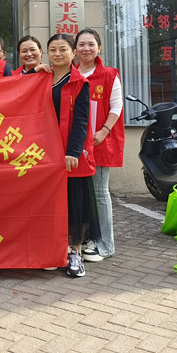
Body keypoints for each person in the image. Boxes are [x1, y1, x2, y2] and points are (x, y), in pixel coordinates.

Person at [44, 33, 97, 278]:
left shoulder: (79, 82)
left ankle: (75, 252)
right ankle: (54, 250)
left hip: (69, 153)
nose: (57, 54)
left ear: (73, 53)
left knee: (75, 203)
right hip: (45, 152)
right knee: (51, 203)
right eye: (53, 50)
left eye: (63, 49)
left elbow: (81, 121)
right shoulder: (42, 79)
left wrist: (73, 151)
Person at [75, 28, 124, 262]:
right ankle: (87, 239)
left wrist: (103, 131)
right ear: (75, 49)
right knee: (81, 195)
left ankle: (106, 245)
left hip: (99, 142)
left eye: (91, 44)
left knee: (100, 193)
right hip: (76, 145)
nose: (86, 49)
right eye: (81, 44)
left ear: (99, 48)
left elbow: (116, 106)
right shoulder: (71, 74)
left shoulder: (109, 74)